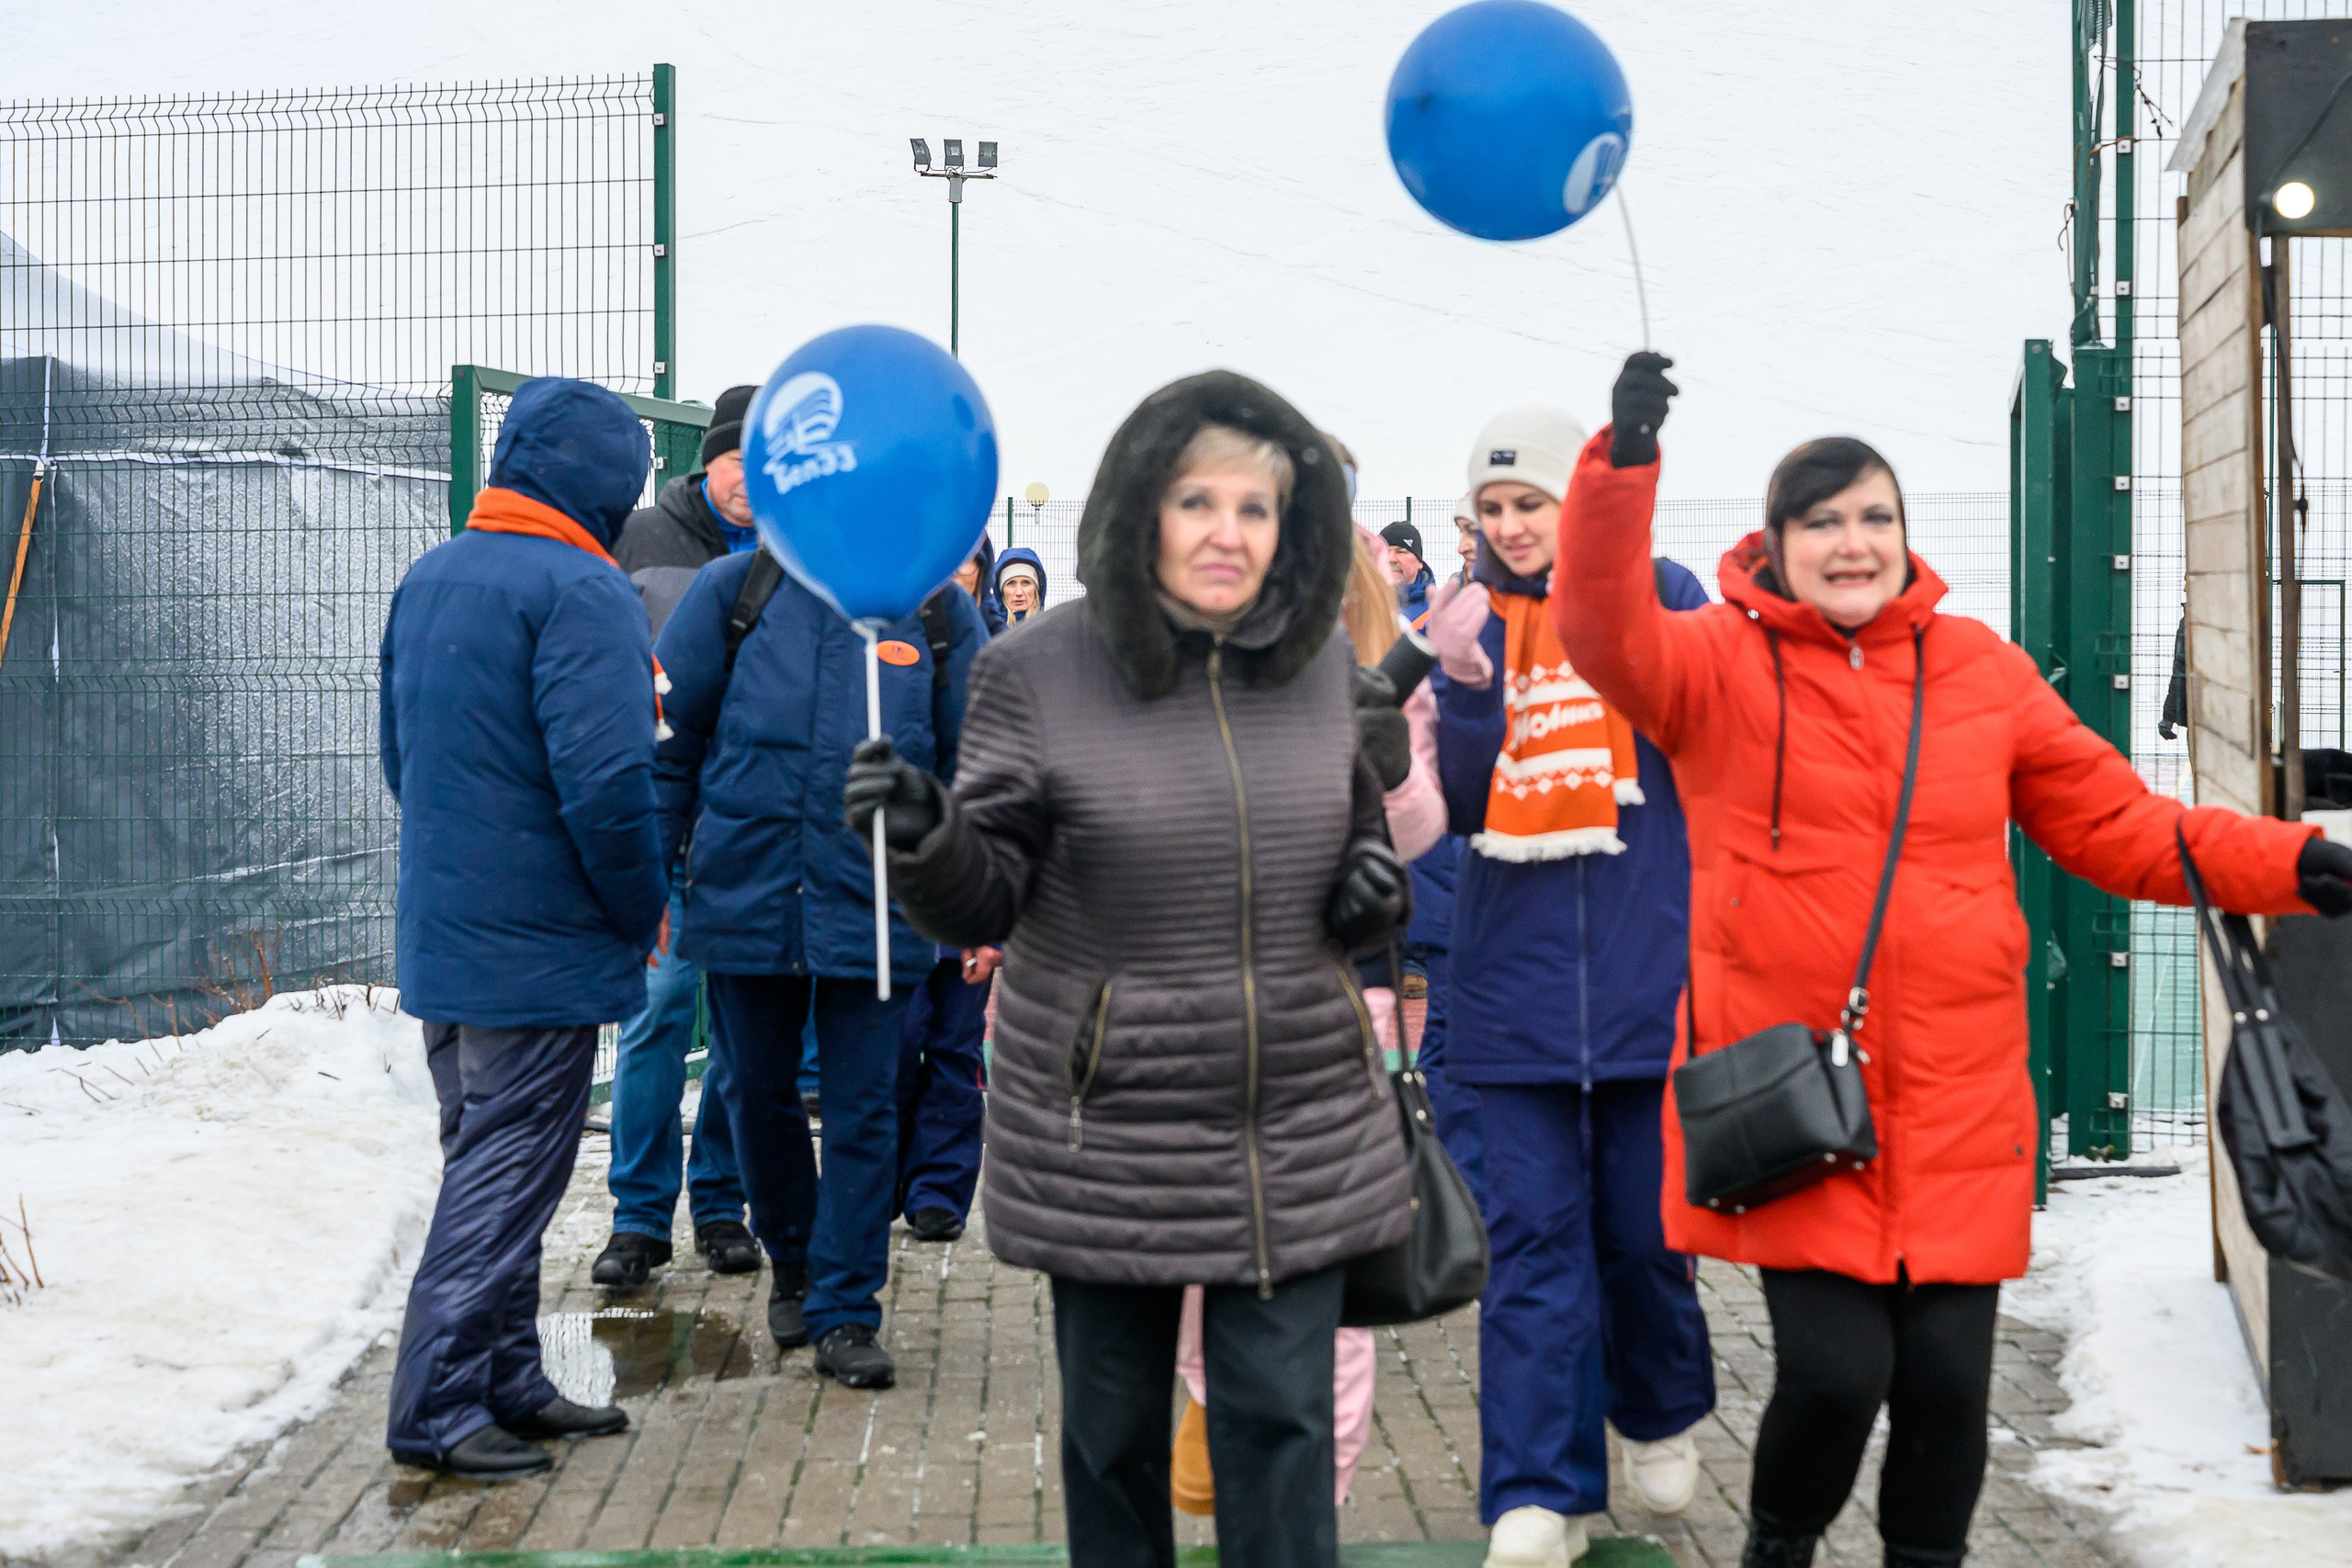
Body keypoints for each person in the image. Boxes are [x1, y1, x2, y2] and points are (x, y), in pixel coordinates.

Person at [1552, 353, 2352, 1568]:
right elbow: (1599, 627)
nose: (1853, 542)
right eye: (1822, 521)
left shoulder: (1978, 668)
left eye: (1876, 516)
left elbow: (2120, 824)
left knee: (1945, 1388)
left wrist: (2288, 863)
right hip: (1794, 1095)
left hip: (1960, 1092)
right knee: (1834, 1373)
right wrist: (1622, 466)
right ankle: (1779, 1547)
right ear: (1775, 542)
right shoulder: (1710, 663)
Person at [842, 372, 1414, 1567]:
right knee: (1113, 1439)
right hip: (1112, 1128)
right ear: (1140, 509)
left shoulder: (1319, 663)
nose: (1227, 531)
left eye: (1255, 507)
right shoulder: (1038, 668)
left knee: (1285, 1429)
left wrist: (1369, 889)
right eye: (1196, 499)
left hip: (1292, 1123)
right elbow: (987, 889)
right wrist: (927, 836)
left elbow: (1356, 837)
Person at [1431, 404, 1716, 1566]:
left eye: (1529, 503)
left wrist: (1627, 477)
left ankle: (1655, 1410)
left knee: (1646, 1239)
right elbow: (1449, 805)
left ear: (1574, 505)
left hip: (1650, 984)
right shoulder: (1460, 624)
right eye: (1491, 508)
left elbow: (1696, 714)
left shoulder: (1663, 596)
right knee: (1533, 1251)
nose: (1509, 526)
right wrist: (1458, 692)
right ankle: (1533, 1492)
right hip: (1512, 992)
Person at [379, 377, 667, 1479]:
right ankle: (439, 1410)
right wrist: (639, 909)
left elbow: (400, 761)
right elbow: (608, 787)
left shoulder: (434, 575)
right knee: (502, 1180)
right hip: (537, 954)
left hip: (451, 937)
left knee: (494, 1168)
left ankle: (505, 1379)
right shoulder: (583, 590)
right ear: (606, 487)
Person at [652, 510, 989, 1389]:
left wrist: (966, 883)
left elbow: (985, 767)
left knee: (865, 1106)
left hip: (881, 905)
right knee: (754, 1090)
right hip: (745, 894)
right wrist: (653, 874)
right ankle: (794, 1257)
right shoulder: (734, 594)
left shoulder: (937, 616)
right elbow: (669, 747)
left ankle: (847, 1305)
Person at [594, 385, 763, 1290]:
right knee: (657, 1016)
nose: (751, 480)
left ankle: (724, 1205)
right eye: (738, 458)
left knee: (743, 1028)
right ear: (709, 459)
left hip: (751, 830)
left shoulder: (797, 551)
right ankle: (637, 1216)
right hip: (665, 815)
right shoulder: (642, 541)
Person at [895, 549, 1008, 1246]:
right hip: (892, 881)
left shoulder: (965, 635)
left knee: (957, 1046)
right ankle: (884, 1176)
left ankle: (939, 1186)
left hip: (963, 875)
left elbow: (999, 784)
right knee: (893, 1042)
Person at [1381, 519, 1438, 629]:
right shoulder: (1362, 604)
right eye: (1385, 552)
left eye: (1401, 552)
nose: (1391, 559)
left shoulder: (1435, 609)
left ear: (1419, 562)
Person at [994, 546, 1048, 624]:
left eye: (1026, 583)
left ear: (1036, 589)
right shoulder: (987, 630)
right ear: (1001, 591)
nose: (1019, 593)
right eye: (1011, 583)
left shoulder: (1051, 628)